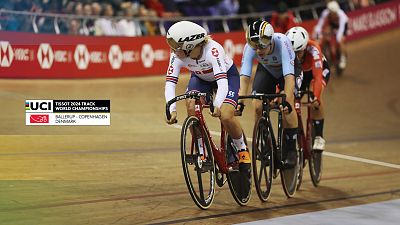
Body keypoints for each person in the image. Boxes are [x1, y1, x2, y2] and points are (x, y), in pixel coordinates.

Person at [164, 21, 250, 169]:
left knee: (226, 115)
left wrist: (217, 104)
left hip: (227, 77)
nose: (173, 51)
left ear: (189, 46)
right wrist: (171, 109)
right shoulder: (177, 56)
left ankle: (241, 148)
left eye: (176, 47)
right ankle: (202, 150)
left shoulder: (214, 50)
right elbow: (170, 83)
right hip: (200, 79)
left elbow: (222, 82)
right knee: (191, 104)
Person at [239, 20, 302, 168]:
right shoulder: (250, 48)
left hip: (288, 71)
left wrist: (286, 100)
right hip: (267, 70)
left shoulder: (282, 42)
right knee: (257, 105)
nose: (258, 50)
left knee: (287, 105)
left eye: (262, 45)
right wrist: (240, 102)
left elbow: (289, 77)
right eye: (255, 46)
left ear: (270, 40)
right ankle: (265, 141)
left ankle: (291, 149)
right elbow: (244, 77)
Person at [286, 26, 330, 151]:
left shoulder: (314, 48)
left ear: (305, 48)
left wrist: (315, 96)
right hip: (298, 73)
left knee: (315, 96)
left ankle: (319, 137)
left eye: (298, 52)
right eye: (292, 53)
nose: (295, 56)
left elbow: (317, 77)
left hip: (315, 73)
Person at [313, 0, 348, 70]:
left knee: (340, 40)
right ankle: (326, 55)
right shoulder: (326, 12)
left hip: (341, 26)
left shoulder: (342, 16)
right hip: (332, 25)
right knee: (325, 34)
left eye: (333, 13)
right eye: (331, 13)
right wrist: (317, 35)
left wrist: (338, 37)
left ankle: (343, 59)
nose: (332, 14)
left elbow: (341, 30)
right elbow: (319, 26)